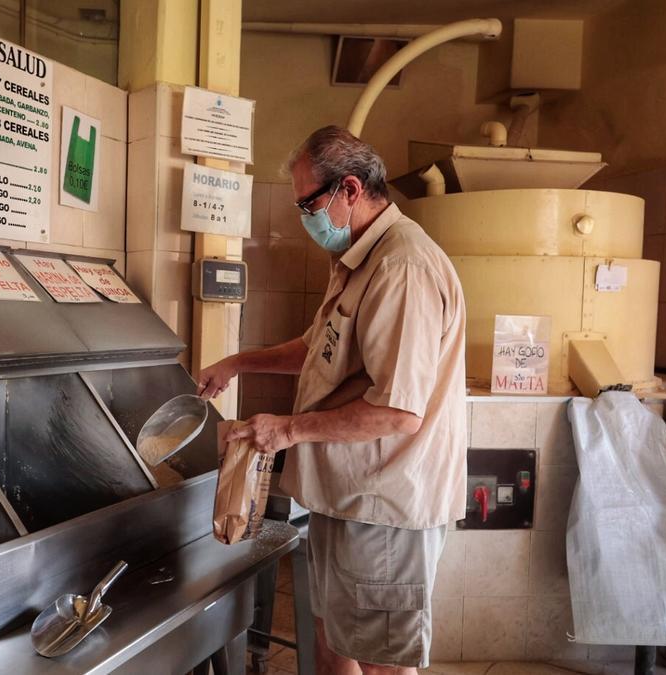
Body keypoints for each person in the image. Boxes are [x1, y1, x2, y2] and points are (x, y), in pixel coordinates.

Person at [197, 126, 467, 675]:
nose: (305, 217)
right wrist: (238, 362)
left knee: (382, 661)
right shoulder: (361, 260)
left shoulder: (403, 267)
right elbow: (320, 351)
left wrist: (288, 431)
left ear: (349, 189)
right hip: (347, 498)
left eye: (307, 203)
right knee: (333, 641)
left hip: (384, 508)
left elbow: (398, 410)